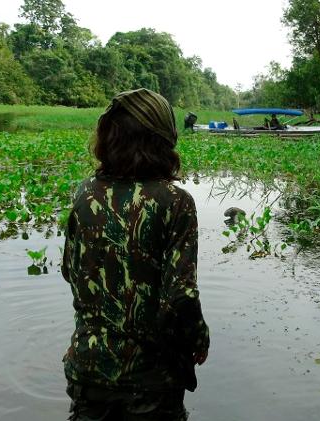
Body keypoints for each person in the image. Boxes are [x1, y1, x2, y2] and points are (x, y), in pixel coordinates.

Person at [61, 88, 209, 421]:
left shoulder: (85, 193)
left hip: (87, 369)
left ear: (109, 136)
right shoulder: (175, 201)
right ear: (163, 139)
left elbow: (70, 272)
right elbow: (181, 296)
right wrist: (200, 337)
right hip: (151, 380)